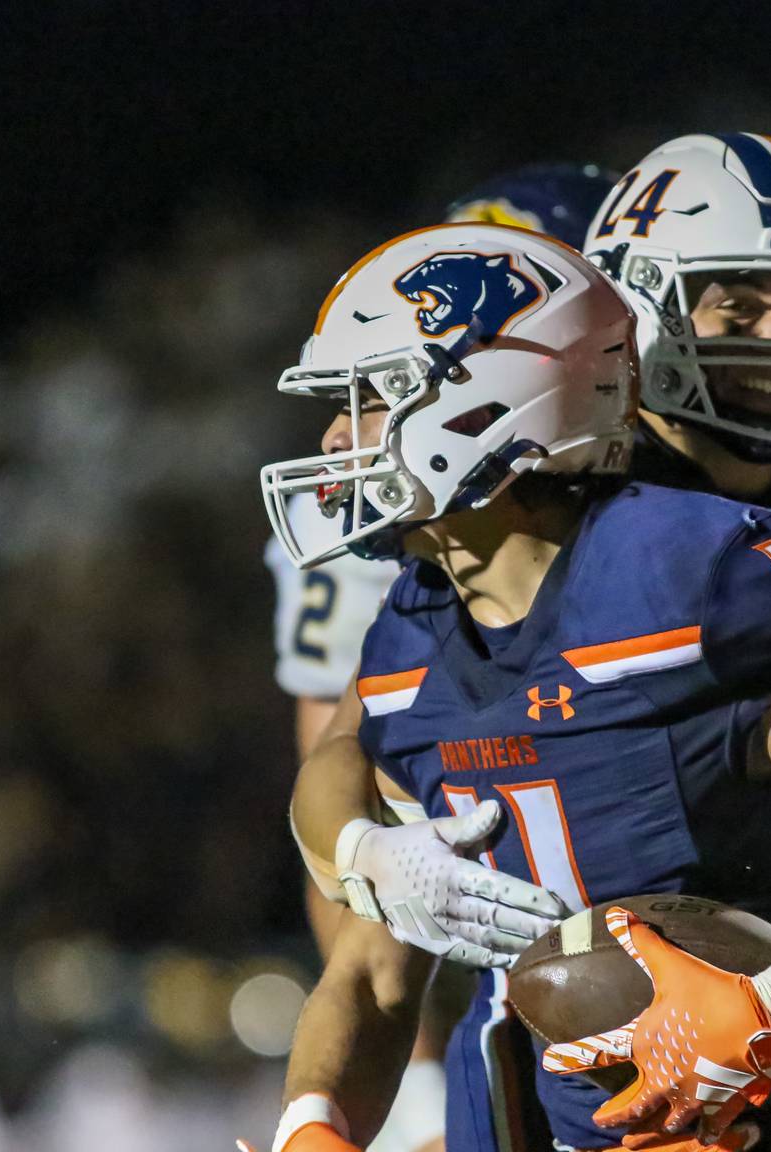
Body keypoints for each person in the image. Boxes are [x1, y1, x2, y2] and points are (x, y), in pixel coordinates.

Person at [257, 219, 771, 1152]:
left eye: (370, 400)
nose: (339, 437)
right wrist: (315, 1126)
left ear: (482, 407)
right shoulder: (416, 619)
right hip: (512, 1115)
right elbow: (370, 956)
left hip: (761, 1127)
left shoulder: (677, 574)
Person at [263, 164, 616, 1152]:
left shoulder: (689, 549)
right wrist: (393, 1084)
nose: (341, 437)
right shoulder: (410, 566)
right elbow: (345, 785)